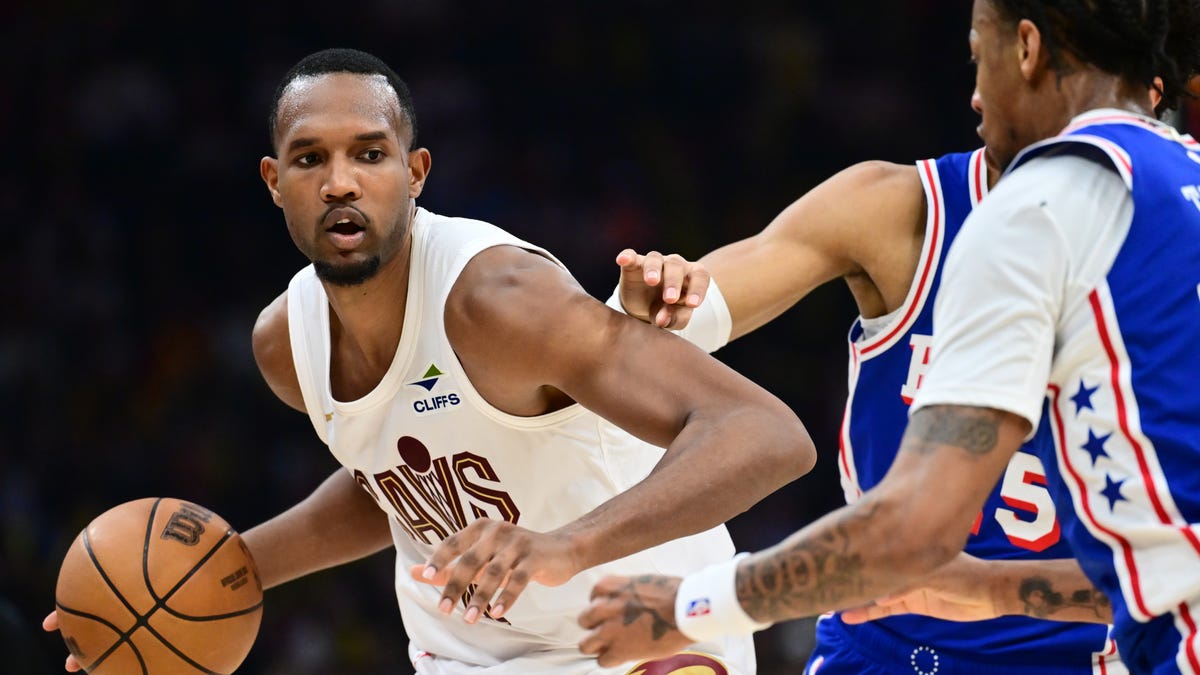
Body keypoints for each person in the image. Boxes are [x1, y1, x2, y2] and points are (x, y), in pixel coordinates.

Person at [43, 48, 817, 674]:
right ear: (275, 184)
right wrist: (204, 578)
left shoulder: (502, 299)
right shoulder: (285, 346)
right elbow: (391, 483)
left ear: (414, 174)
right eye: (310, 159)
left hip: (643, 631)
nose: (340, 181)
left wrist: (566, 544)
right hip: (466, 653)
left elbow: (766, 434)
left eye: (369, 154)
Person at [578, 1, 1200, 673]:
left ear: (1025, 48)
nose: (973, 90)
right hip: (903, 641)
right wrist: (656, 304)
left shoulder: (1041, 202)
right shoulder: (913, 205)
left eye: (977, 53)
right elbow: (1167, 558)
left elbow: (912, 528)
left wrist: (687, 606)